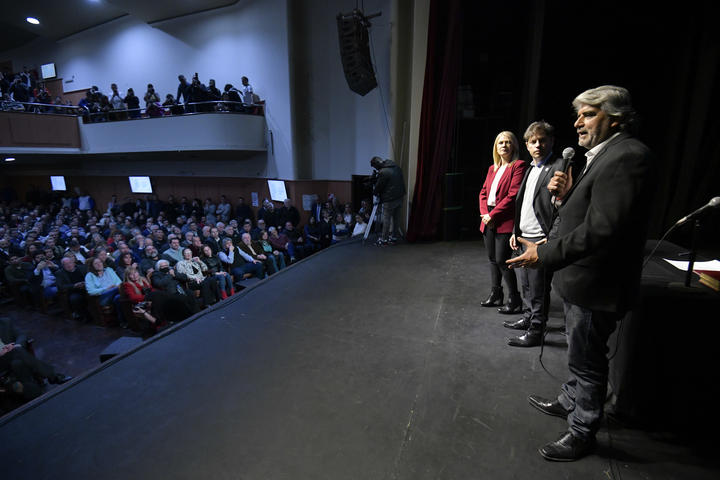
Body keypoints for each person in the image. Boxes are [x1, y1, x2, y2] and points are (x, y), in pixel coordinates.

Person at [507, 85, 653, 462]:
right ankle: (569, 400)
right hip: (579, 279)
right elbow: (586, 212)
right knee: (577, 351)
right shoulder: (599, 158)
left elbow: (602, 228)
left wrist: (545, 253)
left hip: (596, 283)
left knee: (587, 359)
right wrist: (566, 195)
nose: (578, 122)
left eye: (588, 114)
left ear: (615, 118)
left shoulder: (628, 156)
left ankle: (582, 430)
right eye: (579, 114)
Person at [505, 121, 564, 347]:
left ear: (551, 142)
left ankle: (537, 331)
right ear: (527, 145)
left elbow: (564, 208)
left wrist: (550, 238)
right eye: (533, 141)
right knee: (527, 286)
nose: (538, 145)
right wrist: (514, 231)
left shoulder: (559, 166)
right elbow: (522, 204)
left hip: (540, 240)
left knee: (539, 289)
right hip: (523, 236)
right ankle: (529, 319)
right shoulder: (530, 168)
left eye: (542, 140)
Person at [478, 131, 526, 314]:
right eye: (500, 143)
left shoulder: (518, 166)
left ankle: (515, 299)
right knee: (492, 259)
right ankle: (496, 295)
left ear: (513, 146)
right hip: (488, 217)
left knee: (502, 260)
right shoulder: (492, 168)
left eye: (508, 142)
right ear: (496, 147)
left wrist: (493, 215)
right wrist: (485, 214)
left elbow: (513, 195)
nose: (504, 145)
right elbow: (483, 193)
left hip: (504, 218)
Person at [1, 316, 71, 401]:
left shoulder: (5, 322)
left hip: (14, 355)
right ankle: (54, 376)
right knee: (18, 355)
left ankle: (34, 397)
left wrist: (18, 345)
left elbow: (21, 335)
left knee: (18, 362)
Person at [370, 156, 406, 246]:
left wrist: (374, 192)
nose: (376, 169)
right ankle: (394, 238)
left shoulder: (383, 172)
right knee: (396, 219)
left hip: (389, 199)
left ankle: (384, 240)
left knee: (386, 220)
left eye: (375, 167)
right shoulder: (396, 167)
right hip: (400, 197)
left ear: (377, 164)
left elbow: (379, 186)